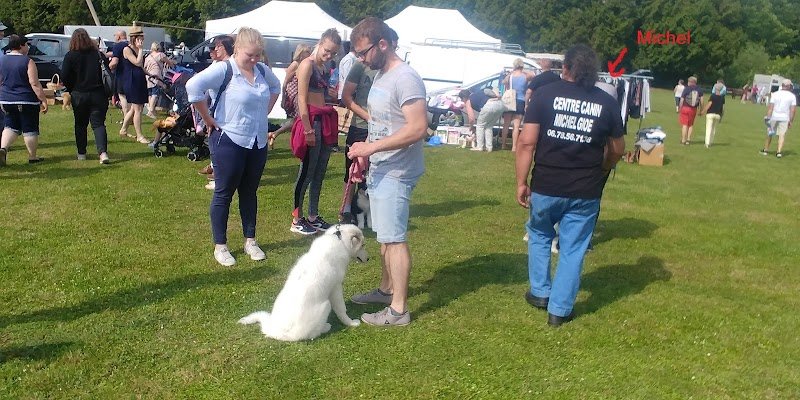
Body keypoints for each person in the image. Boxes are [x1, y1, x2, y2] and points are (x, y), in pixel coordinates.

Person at [515, 44, 624, 327]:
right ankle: (559, 310)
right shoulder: (607, 102)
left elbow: (526, 142)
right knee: (573, 247)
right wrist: (604, 167)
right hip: (585, 188)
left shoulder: (544, 95)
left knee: (539, 233)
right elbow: (617, 149)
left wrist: (520, 181)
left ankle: (540, 292)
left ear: (565, 68)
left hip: (546, 184)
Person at [346, 17, 428, 327]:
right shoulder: (381, 75)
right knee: (384, 237)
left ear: (383, 44)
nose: (361, 59)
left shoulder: (406, 78)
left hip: (398, 170)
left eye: (363, 52)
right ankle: (385, 290)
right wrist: (367, 148)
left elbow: (418, 127)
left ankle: (398, 311)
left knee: (394, 240)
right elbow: (384, 124)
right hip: (381, 166)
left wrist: (371, 149)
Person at [186, 27, 280, 266]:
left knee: (249, 192)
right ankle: (221, 245)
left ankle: (250, 240)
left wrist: (264, 113)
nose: (255, 59)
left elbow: (276, 87)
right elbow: (193, 87)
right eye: (250, 54)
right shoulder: (224, 69)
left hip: (257, 141)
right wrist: (208, 118)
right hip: (229, 139)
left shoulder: (261, 71)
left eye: (258, 55)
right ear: (237, 49)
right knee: (224, 192)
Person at [288, 29, 342, 235]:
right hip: (312, 122)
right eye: (327, 51)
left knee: (319, 172)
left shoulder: (323, 67)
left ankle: (313, 215)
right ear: (320, 43)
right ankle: (296, 218)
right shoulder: (307, 64)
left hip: (324, 119)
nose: (329, 56)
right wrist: (308, 128)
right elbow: (301, 99)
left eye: (333, 53)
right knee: (307, 172)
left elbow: (321, 93)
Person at [62, 28, 110, 164]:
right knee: (98, 124)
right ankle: (103, 153)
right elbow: (106, 73)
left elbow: (65, 76)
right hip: (98, 94)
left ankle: (81, 153)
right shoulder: (98, 55)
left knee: (80, 125)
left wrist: (72, 88)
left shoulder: (70, 56)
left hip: (79, 95)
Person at [339, 50, 377, 223]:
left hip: (381, 130)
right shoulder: (359, 66)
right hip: (360, 126)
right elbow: (346, 97)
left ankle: (365, 212)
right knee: (353, 170)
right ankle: (346, 210)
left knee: (372, 172)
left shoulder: (390, 69)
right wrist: (368, 117)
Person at [0, 35, 48, 166]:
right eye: (26, 45)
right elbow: (34, 83)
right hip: (26, 99)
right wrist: (43, 100)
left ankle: (3, 149)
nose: (27, 47)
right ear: (21, 46)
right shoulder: (27, 61)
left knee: (10, 126)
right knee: (30, 128)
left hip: (6, 100)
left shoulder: (2, 60)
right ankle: (32, 156)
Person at [197, 35, 234, 189]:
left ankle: (221, 180)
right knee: (219, 148)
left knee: (220, 148)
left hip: (223, 113)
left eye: (216, 47)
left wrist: (205, 116)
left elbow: (194, 85)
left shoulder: (224, 66)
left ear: (224, 47)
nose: (213, 50)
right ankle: (221, 177)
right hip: (218, 111)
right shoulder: (219, 64)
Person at [267, 44, 312, 147]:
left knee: (297, 120)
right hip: (294, 94)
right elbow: (285, 82)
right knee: (300, 118)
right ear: (301, 53)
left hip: (300, 93)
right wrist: (283, 97)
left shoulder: (306, 64)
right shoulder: (295, 64)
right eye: (307, 53)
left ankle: (275, 133)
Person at [119, 26, 149, 144]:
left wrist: (149, 74)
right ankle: (139, 135)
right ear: (134, 38)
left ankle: (123, 129)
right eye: (140, 37)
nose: (142, 39)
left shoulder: (138, 49)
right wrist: (141, 49)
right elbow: (137, 62)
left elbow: (141, 66)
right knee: (138, 109)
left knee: (134, 107)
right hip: (131, 80)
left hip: (140, 78)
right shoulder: (127, 49)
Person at [501, 58, 533, 151]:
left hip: (509, 100)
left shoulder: (510, 76)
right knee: (516, 126)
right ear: (522, 66)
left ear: (514, 65)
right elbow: (533, 75)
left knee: (506, 124)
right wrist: (524, 71)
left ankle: (503, 144)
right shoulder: (525, 76)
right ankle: (514, 146)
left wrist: (511, 73)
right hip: (520, 100)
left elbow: (504, 83)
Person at [761, 79, 796, 158]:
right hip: (785, 118)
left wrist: (768, 117)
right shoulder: (792, 96)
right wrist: (791, 121)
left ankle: (766, 150)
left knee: (770, 133)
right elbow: (793, 110)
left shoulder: (775, 94)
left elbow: (770, 108)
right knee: (782, 135)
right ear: (789, 86)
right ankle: (779, 152)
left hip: (774, 116)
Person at [462, 87, 504, 152]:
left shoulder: (468, 101)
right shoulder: (477, 93)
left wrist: (471, 127)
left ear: (464, 98)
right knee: (488, 126)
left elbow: (471, 118)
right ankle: (489, 147)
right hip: (500, 105)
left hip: (489, 105)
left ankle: (479, 147)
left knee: (480, 126)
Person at [144, 42, 175, 119]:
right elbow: (168, 62)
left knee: (150, 93)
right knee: (155, 93)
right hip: (156, 76)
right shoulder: (160, 55)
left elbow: (144, 67)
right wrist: (173, 64)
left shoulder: (148, 57)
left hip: (148, 76)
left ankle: (150, 110)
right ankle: (151, 110)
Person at [108, 30, 129, 118]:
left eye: (115, 36)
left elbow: (114, 62)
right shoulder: (131, 45)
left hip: (121, 74)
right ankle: (132, 116)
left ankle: (126, 117)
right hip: (132, 74)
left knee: (122, 96)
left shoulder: (117, 46)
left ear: (119, 37)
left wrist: (108, 67)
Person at [678, 76, 703, 145]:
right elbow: (702, 100)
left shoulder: (687, 89)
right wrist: (701, 109)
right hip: (693, 109)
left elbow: (682, 99)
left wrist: (680, 108)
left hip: (685, 108)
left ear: (690, 82)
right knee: (691, 124)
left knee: (685, 124)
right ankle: (688, 139)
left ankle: (683, 140)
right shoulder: (699, 89)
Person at [700, 83, 725, 148]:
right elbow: (723, 108)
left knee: (709, 128)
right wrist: (721, 116)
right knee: (713, 129)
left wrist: (703, 111)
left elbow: (709, 105)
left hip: (710, 114)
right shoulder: (722, 98)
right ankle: (710, 142)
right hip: (718, 115)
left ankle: (707, 143)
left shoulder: (713, 96)